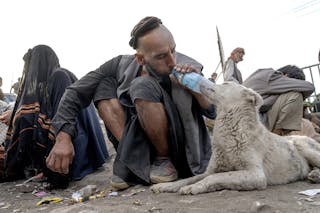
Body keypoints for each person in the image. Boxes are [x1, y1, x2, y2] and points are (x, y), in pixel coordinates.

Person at [50, 16, 216, 190]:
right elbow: (75, 92)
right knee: (103, 85)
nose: (172, 61)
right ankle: (131, 158)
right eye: (161, 56)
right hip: (138, 143)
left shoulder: (186, 66)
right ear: (140, 59)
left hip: (182, 150)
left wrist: (194, 87)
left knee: (142, 85)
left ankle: (163, 161)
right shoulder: (121, 65)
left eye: (173, 50)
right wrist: (63, 137)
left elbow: (212, 111)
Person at [0, 45, 109, 188]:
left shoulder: (59, 76)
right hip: (73, 139)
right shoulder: (49, 81)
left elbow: (64, 118)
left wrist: (19, 116)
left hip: (78, 148)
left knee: (24, 119)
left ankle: (53, 169)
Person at [243, 65, 315, 136]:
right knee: (296, 95)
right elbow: (310, 87)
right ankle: (276, 136)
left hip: (249, 119)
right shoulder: (272, 77)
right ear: (286, 76)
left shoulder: (267, 79)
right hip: (249, 121)